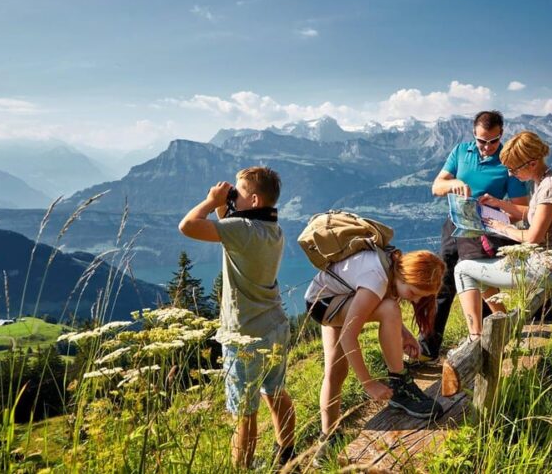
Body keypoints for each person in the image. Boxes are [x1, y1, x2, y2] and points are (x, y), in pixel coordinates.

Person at [178, 166, 296, 470]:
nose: (232, 197)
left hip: (244, 334)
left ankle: (242, 469)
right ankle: (287, 455)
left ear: (254, 201)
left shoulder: (242, 231)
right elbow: (228, 225)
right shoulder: (273, 230)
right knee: (276, 393)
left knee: (243, 412)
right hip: (276, 326)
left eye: (238, 194)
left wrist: (210, 199)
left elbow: (188, 226)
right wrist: (226, 203)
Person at [304, 248, 446, 459]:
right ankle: (400, 385)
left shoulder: (392, 264)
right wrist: (368, 384)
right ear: (405, 275)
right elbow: (348, 336)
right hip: (324, 304)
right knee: (389, 308)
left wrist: (403, 333)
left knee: (336, 371)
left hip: (333, 296)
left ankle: (327, 438)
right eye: (414, 293)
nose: (415, 301)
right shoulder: (377, 278)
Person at [422, 111, 529, 362]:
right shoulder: (461, 151)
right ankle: (428, 349)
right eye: (482, 141)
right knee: (442, 281)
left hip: (485, 230)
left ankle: (488, 343)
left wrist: (495, 206)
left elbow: (521, 210)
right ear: (473, 135)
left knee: (481, 283)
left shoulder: (507, 162)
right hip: (455, 223)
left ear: (501, 134)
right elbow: (437, 186)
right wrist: (453, 184)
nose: (487, 147)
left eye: (493, 141)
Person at [456, 131, 552, 336]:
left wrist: (502, 227)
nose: (511, 174)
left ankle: (476, 337)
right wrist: (499, 204)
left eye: (513, 169)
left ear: (531, 164)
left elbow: (534, 237)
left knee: (462, 269)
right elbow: (535, 214)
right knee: (478, 267)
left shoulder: (550, 187)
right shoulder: (546, 180)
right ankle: (504, 327)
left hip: (549, 267)